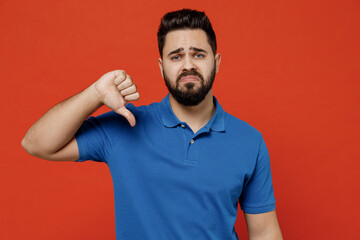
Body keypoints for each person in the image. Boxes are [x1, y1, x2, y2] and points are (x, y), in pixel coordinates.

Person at [22, 9, 282, 240]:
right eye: (176, 56)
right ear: (161, 67)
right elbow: (36, 144)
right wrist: (94, 94)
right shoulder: (125, 125)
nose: (188, 65)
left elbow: (265, 232)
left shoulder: (249, 141)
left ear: (216, 61)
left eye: (199, 54)